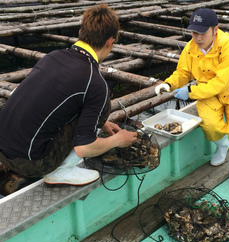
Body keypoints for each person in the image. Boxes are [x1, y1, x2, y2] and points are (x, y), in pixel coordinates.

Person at [0, 4, 137, 194]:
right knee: (101, 105)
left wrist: (102, 123)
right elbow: (84, 148)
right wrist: (118, 140)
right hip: (30, 163)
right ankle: (60, 172)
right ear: (110, 42)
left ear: (80, 32)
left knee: (83, 104)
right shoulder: (94, 81)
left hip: (3, 148)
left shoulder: (53, 56)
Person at [155, 8, 229, 193]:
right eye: (194, 32)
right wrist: (168, 84)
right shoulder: (190, 47)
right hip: (207, 93)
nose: (197, 37)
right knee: (210, 125)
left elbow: (221, 83)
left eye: (202, 33)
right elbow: (183, 72)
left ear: (215, 29)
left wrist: (190, 91)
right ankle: (223, 146)